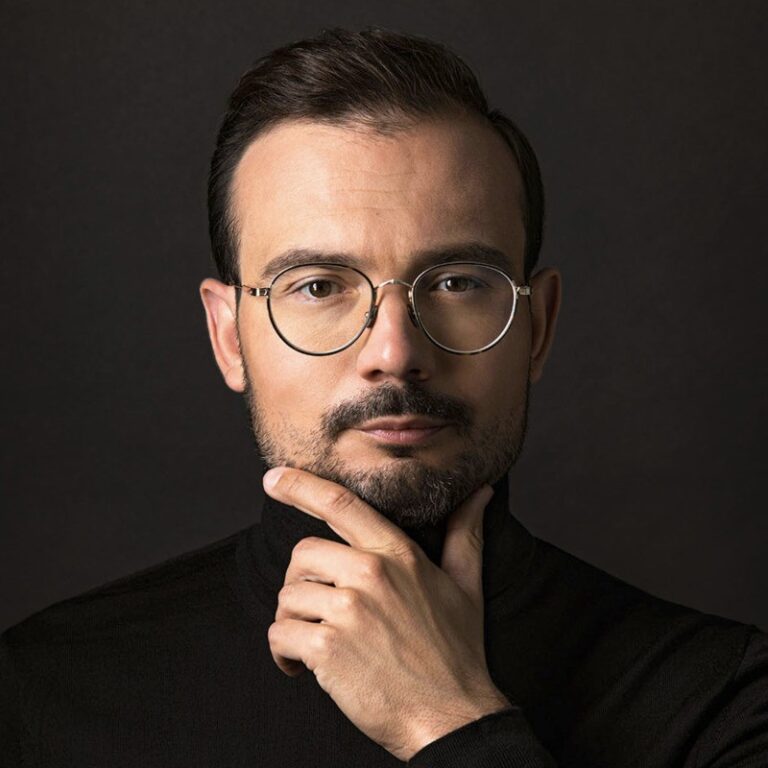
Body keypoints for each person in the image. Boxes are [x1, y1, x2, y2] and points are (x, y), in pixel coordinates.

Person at [1, 26, 766, 767]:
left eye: (459, 283)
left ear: (537, 327)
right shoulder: (40, 694)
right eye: (319, 286)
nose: (395, 353)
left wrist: (451, 723)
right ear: (229, 335)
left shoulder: (723, 699)